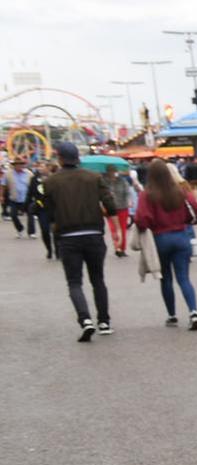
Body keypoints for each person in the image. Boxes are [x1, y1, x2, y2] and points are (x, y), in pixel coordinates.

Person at [42, 141, 114, 341]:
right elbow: (110, 204)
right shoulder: (94, 177)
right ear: (77, 158)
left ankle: (85, 320)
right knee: (98, 279)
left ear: (60, 158)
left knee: (74, 282)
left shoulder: (50, 182)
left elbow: (46, 209)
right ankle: (104, 322)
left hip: (68, 237)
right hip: (94, 234)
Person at [133, 158, 197, 330]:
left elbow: (142, 219)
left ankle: (172, 315)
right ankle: (193, 311)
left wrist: (147, 226)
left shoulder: (147, 194)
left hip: (160, 239)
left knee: (165, 278)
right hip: (181, 237)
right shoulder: (180, 191)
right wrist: (187, 222)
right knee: (184, 278)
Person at [106, 167, 134, 258]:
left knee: (122, 229)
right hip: (111, 208)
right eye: (110, 171)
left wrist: (129, 201)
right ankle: (117, 248)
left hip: (123, 207)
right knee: (113, 229)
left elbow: (127, 192)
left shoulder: (122, 181)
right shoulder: (105, 182)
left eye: (113, 171)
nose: (112, 173)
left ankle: (122, 248)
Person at [6, 158, 29, 235]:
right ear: (14, 165)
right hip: (14, 198)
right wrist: (1, 196)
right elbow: (3, 185)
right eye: (17, 164)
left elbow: (33, 184)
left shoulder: (28, 173)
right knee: (13, 215)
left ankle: (32, 232)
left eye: (20, 164)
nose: (19, 166)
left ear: (22, 165)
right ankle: (20, 228)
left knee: (31, 215)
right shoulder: (9, 174)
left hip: (26, 199)